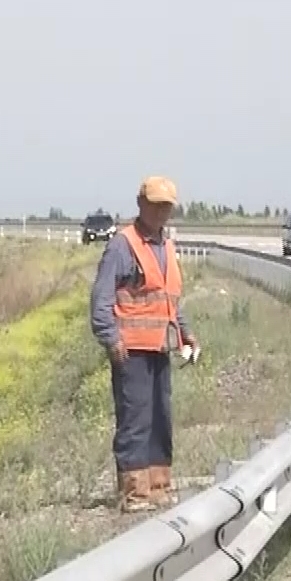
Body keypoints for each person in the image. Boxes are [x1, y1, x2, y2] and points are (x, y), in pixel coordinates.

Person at [89, 175, 199, 513]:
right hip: (131, 349)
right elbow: (101, 298)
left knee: (160, 418)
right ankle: (135, 493)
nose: (161, 212)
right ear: (140, 204)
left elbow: (169, 300)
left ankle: (159, 486)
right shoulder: (123, 245)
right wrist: (111, 338)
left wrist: (186, 333)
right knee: (135, 420)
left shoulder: (166, 246)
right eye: (155, 205)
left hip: (160, 347)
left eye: (166, 206)